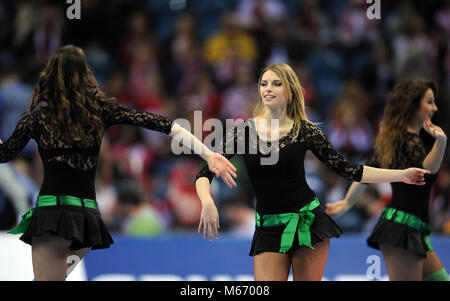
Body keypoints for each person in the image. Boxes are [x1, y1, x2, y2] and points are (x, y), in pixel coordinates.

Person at [0, 45, 237, 281]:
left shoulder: (36, 120)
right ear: (85, 75)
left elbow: (4, 154)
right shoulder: (101, 111)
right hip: (86, 219)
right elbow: (163, 124)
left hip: (52, 214)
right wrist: (207, 153)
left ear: (51, 75)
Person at [195, 63, 431, 281]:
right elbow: (204, 173)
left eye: (276, 83)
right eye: (264, 83)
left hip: (307, 223)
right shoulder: (243, 133)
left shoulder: (306, 131)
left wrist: (400, 174)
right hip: (268, 227)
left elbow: (349, 170)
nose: (268, 88)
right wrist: (207, 201)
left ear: (290, 90)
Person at [326, 79, 448, 281]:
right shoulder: (404, 141)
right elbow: (425, 171)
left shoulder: (396, 139)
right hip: (401, 230)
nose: (434, 108)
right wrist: (441, 142)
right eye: (429, 102)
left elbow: (365, 174)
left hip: (412, 229)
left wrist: (347, 202)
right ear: (413, 104)